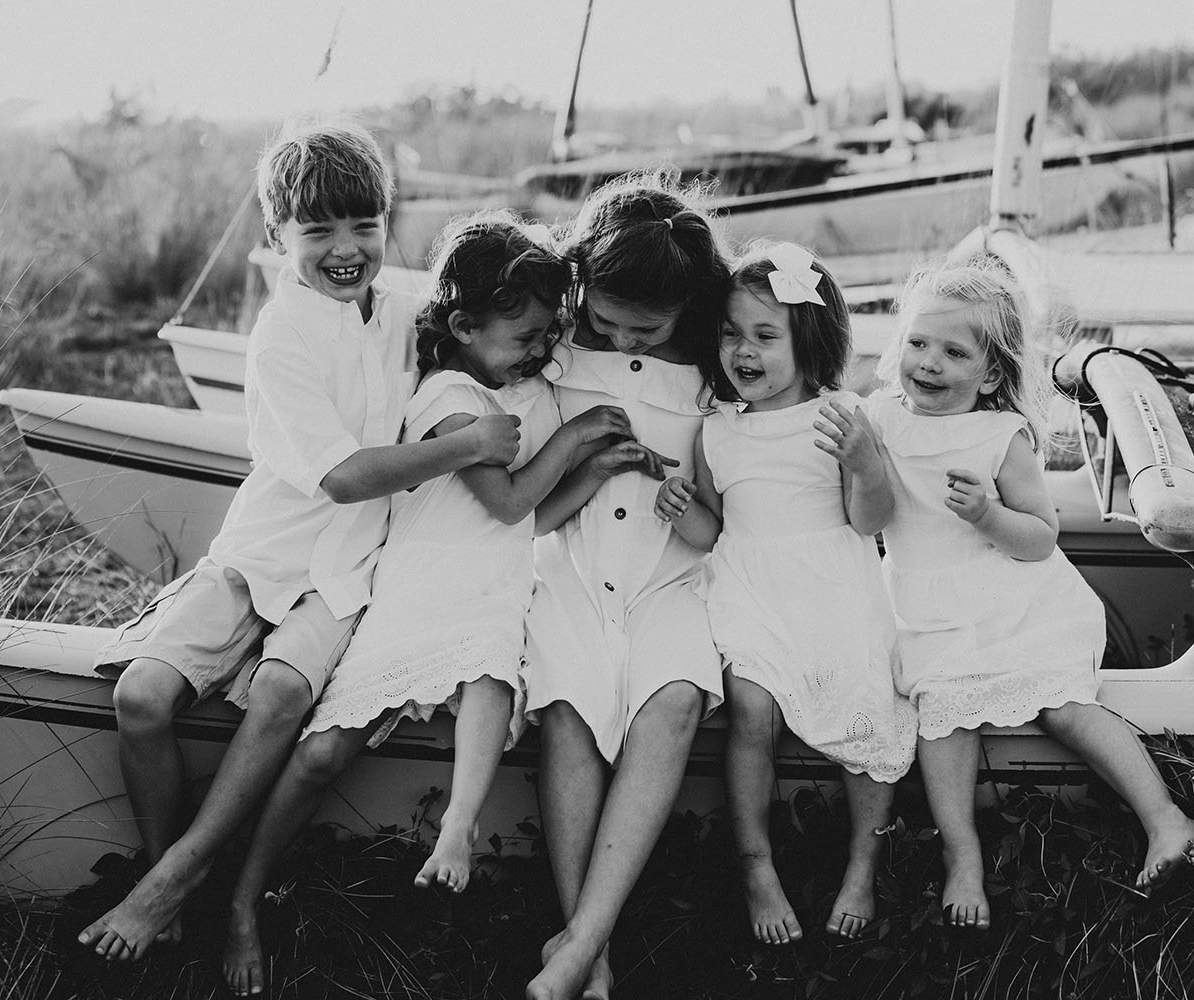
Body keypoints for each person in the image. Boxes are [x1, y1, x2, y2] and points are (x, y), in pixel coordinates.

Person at [77, 120, 522, 962]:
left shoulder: (403, 315)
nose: (346, 248)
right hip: (261, 552)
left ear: (387, 222)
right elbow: (346, 475)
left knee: (282, 691)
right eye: (319, 230)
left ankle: (171, 883)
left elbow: (491, 315)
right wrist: (467, 446)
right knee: (140, 697)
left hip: (346, 571)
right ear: (277, 236)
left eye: (365, 225)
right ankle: (172, 873)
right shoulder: (281, 337)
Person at [219, 212, 635, 997]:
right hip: (416, 584)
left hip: (489, 583)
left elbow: (523, 526)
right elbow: (509, 501)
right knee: (318, 755)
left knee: (490, 666)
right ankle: (244, 892)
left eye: (551, 334)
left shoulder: (516, 388)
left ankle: (459, 824)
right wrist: (575, 440)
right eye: (527, 337)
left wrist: (594, 469)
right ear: (462, 326)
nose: (544, 351)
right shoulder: (453, 397)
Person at [868, 253, 1194, 930]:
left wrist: (989, 514)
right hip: (929, 606)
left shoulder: (1000, 437)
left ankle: (1168, 819)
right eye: (917, 343)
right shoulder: (881, 418)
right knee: (942, 714)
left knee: (1066, 710)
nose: (929, 363)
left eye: (954, 352)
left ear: (991, 373)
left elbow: (1040, 536)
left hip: (1015, 601)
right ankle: (963, 857)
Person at [654, 241, 918, 945]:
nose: (744, 350)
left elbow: (872, 520)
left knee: (871, 702)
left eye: (765, 336)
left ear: (808, 341)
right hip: (752, 587)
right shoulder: (716, 430)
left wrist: (865, 464)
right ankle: (755, 863)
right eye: (732, 333)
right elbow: (716, 530)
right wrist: (684, 511)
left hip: (833, 585)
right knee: (751, 707)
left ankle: (863, 864)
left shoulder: (839, 416)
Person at [523, 174, 731, 1000]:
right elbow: (528, 496)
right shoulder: (559, 354)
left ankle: (579, 941)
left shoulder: (717, 378)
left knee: (674, 698)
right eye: (602, 316)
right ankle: (592, 954)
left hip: (669, 573)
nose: (612, 334)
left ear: (689, 308)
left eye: (639, 327)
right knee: (568, 706)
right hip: (570, 566)